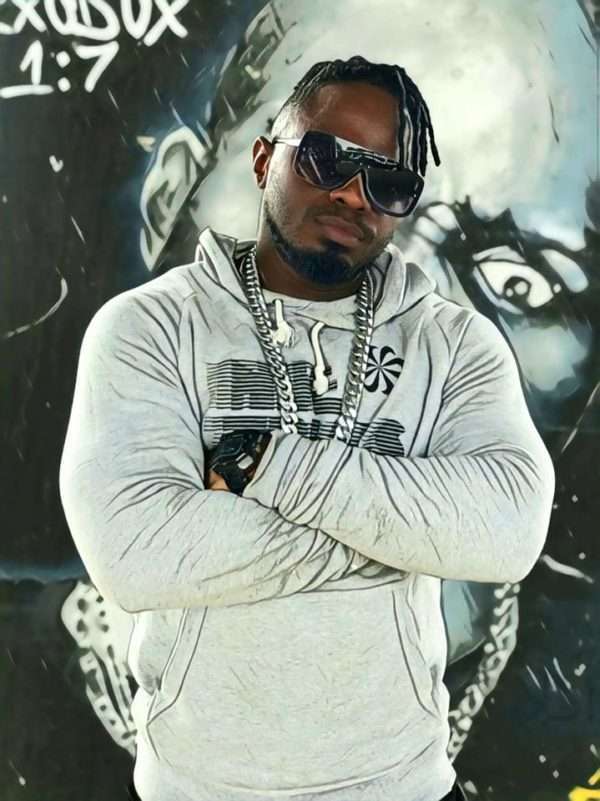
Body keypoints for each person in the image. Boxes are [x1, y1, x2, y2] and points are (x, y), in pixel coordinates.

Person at [59, 56, 555, 801]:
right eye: (327, 157)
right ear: (265, 159)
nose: (353, 193)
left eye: (389, 182)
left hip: (403, 787)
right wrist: (400, 538)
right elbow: (136, 552)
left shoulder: (455, 346)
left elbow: (509, 531)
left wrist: (265, 466)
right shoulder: (149, 328)